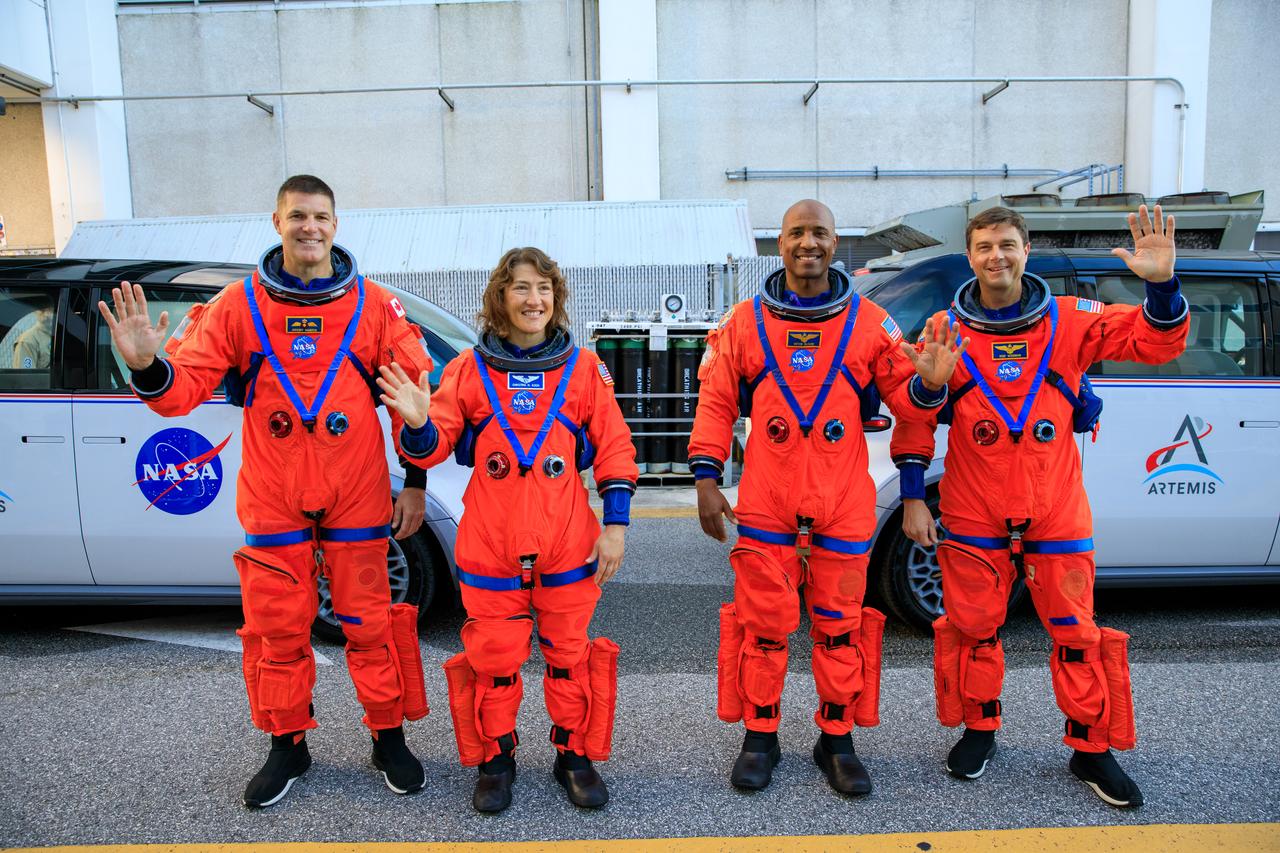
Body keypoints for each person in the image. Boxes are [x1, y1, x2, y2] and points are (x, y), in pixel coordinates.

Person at [97, 174, 434, 808]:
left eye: (322, 217)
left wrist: (414, 480)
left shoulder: (375, 308)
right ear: (276, 221)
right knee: (278, 629)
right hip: (274, 493)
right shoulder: (237, 306)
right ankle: (288, 745)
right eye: (298, 216)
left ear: (337, 225)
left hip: (356, 492)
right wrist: (146, 364)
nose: (311, 228)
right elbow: (180, 392)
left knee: (369, 625)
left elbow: (416, 410)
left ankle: (388, 737)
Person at [893, 204, 1187, 808]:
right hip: (974, 506)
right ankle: (980, 729)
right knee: (974, 628)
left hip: (1055, 506)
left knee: (1076, 631)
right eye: (983, 247)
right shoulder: (945, 329)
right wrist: (915, 495)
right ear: (969, 256)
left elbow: (1153, 342)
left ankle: (1090, 746)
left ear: (1025, 250)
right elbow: (913, 419)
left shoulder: (1071, 321)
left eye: (1007, 244)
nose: (996, 256)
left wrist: (1160, 284)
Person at [687, 199, 966, 795]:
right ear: (779, 244)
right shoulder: (743, 321)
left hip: (842, 500)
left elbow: (909, 407)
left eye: (819, 233)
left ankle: (835, 739)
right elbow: (713, 403)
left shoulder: (870, 323)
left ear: (836, 243)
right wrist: (707, 482)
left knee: (839, 629)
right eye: (796, 233)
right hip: (767, 499)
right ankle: (760, 735)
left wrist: (930, 385)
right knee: (764, 629)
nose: (807, 242)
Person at [377, 247, 638, 813]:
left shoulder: (584, 368)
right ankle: (496, 760)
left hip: (567, 540)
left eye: (543, 288)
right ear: (500, 297)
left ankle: (574, 755)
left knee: (569, 657)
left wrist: (615, 526)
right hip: (492, 543)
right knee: (494, 662)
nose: (533, 299)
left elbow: (615, 448)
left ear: (556, 298)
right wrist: (419, 423)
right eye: (521, 288)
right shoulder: (469, 371)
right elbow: (437, 439)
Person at [12, 305, 53, 370]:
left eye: (50, 309)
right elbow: (26, 376)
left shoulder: (60, 336)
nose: (46, 314)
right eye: (42, 310)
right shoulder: (28, 340)